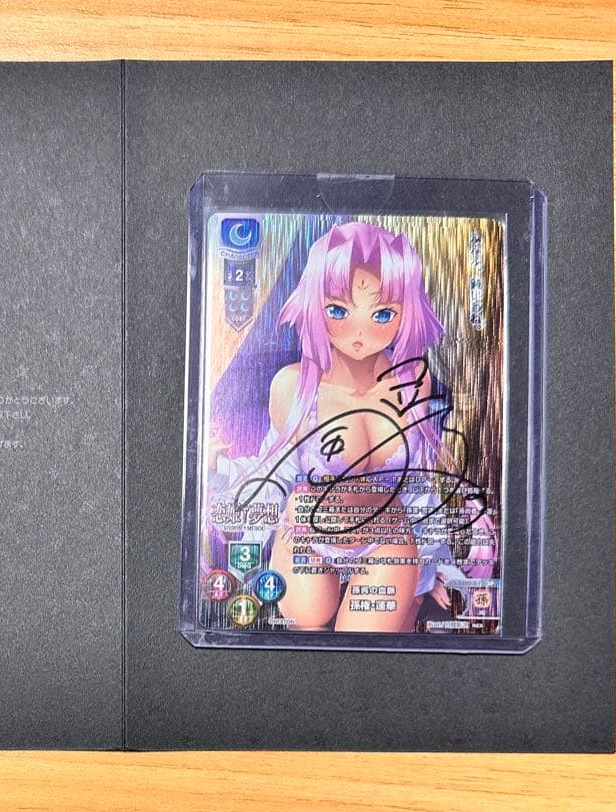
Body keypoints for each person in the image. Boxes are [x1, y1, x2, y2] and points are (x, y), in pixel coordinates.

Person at [207, 221, 496, 632]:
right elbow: (274, 473)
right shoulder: (294, 386)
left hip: (388, 540)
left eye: (382, 314)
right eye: (339, 310)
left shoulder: (412, 382)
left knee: (364, 646)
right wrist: (217, 474)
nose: (359, 333)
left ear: (405, 310)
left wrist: (436, 563)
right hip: (307, 535)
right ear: (315, 303)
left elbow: (417, 482)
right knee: (304, 630)